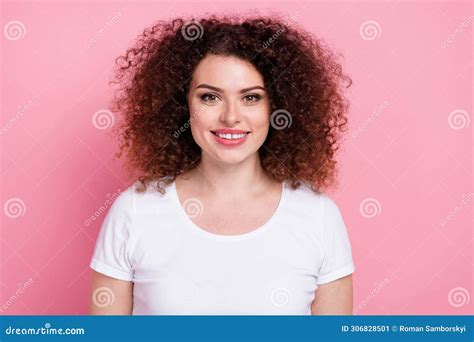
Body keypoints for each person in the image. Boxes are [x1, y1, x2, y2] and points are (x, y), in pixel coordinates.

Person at [89, 14, 355, 315]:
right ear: (183, 105)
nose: (230, 117)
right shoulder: (134, 211)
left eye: (251, 98)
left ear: (277, 107)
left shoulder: (317, 216)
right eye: (210, 97)